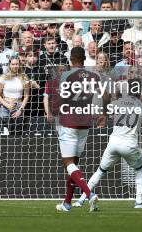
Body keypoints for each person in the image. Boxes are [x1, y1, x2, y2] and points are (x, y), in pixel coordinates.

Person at [74, 78, 142, 209]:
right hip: (129, 144)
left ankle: (81, 200)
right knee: (141, 169)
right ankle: (139, 202)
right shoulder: (141, 106)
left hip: (113, 143)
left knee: (100, 171)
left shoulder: (117, 103)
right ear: (138, 90)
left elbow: (104, 110)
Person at [52, 47, 99, 212]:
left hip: (69, 122)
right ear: (84, 59)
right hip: (85, 123)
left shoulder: (66, 75)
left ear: (71, 59)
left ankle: (89, 194)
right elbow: (101, 97)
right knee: (74, 166)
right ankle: (67, 203)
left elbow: (60, 98)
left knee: (69, 164)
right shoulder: (94, 76)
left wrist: (54, 110)